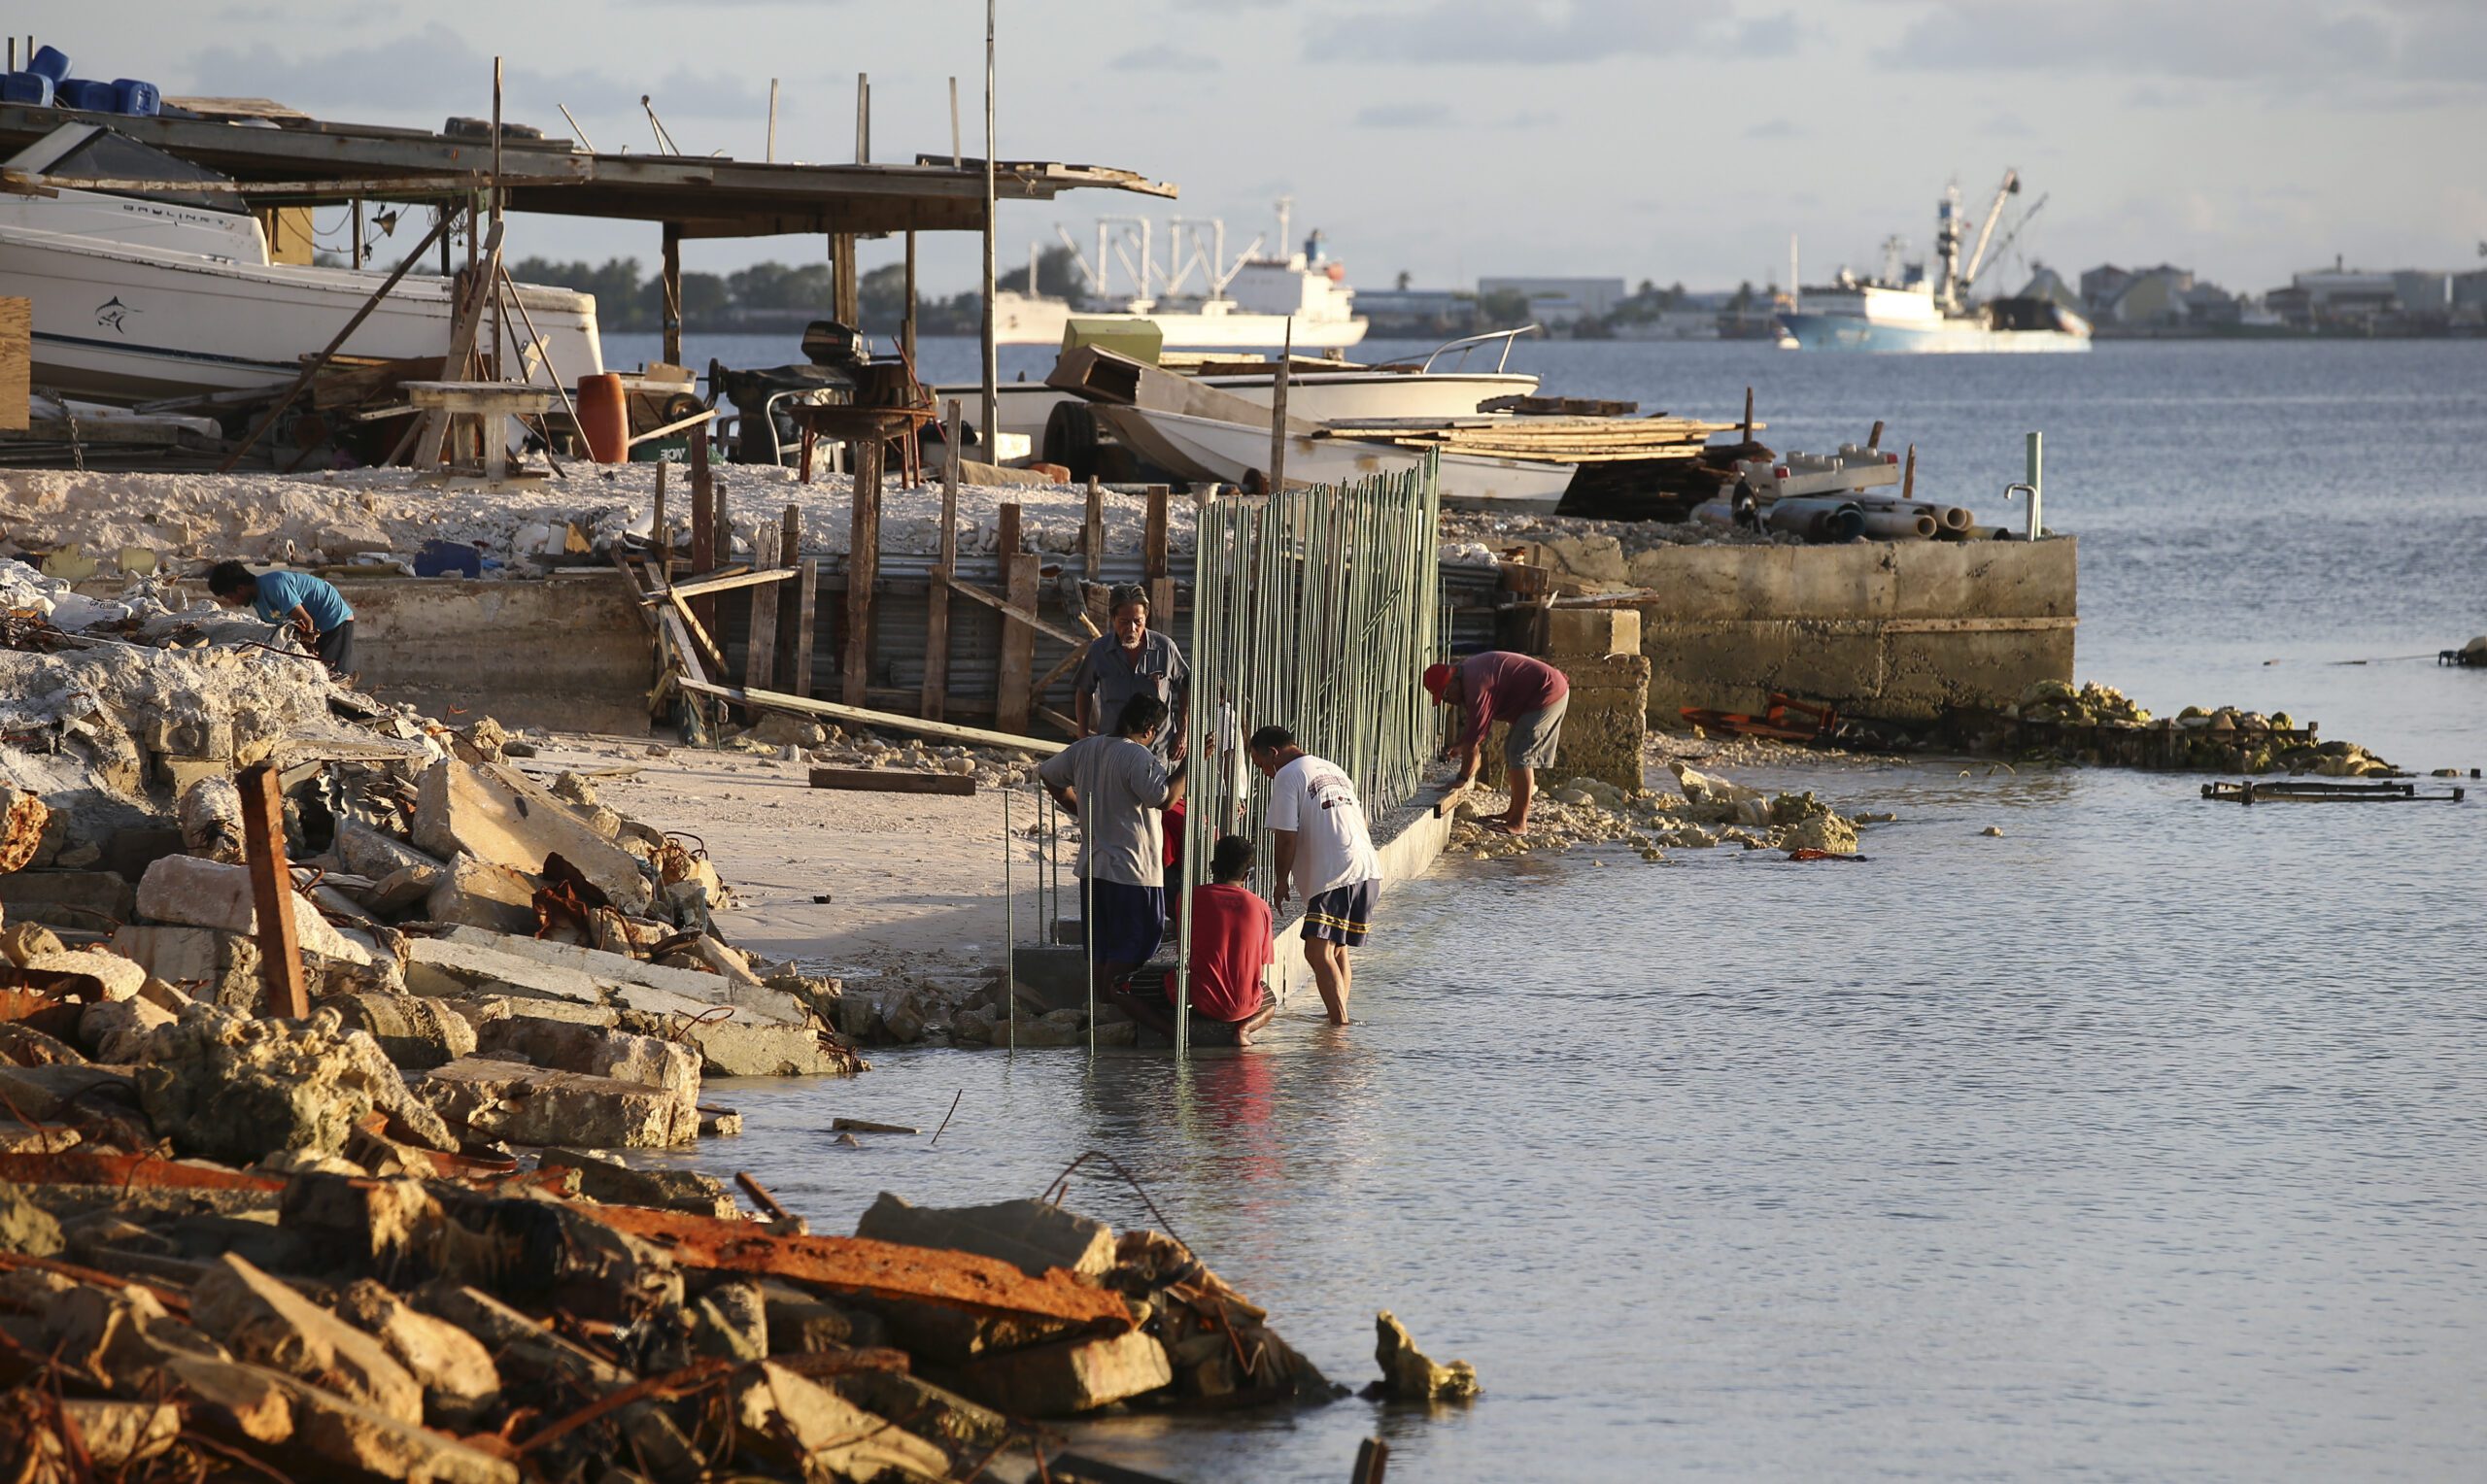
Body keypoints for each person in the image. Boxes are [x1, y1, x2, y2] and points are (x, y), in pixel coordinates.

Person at [1039, 693, 1188, 997]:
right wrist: (1191, 764)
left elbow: (1049, 773)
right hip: (1132, 871)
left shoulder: (1086, 747)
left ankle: (1101, 1011)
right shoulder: (1137, 756)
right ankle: (1115, 1003)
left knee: (1102, 946)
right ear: (1148, 730)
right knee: (1135, 942)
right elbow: (1165, 799)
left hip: (1093, 869)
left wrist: (1078, 806)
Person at [1249, 724, 1381, 1027]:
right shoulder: (1332, 768)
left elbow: (1285, 836)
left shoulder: (1287, 775)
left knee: (1316, 951)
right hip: (1367, 869)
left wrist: (1281, 880)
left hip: (1335, 872)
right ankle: (1336, 1018)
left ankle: (1339, 1027)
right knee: (1337, 950)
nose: (1266, 774)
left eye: (1262, 765)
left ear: (1273, 753)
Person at [1111, 833, 1278, 1046]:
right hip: (1245, 1004)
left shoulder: (1188, 898)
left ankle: (1175, 1035)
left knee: (1118, 988)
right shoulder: (1261, 907)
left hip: (1199, 997)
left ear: (1212, 866)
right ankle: (1244, 1030)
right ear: (1246, 875)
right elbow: (1262, 960)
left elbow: (1185, 949)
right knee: (1270, 1000)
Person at [1424, 651, 1570, 834]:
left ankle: (1519, 823)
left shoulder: (1476, 686)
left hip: (1548, 692)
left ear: (1452, 681)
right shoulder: (1470, 676)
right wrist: (1462, 745)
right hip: (1543, 690)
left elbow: (1474, 744)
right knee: (1513, 749)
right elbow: (1473, 735)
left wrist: (1461, 779)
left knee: (1520, 754)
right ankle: (1512, 813)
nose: (1449, 701)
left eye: (1446, 695)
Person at [1072, 584, 1188, 762]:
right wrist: (1083, 737)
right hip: (1114, 753)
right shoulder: (1099, 651)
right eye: (1124, 622)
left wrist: (1183, 731)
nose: (1132, 628)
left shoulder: (1165, 648)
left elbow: (1186, 687)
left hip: (1158, 753)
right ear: (1113, 619)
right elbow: (1084, 691)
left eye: (1138, 621)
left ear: (1146, 618)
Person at [206, 560, 357, 677]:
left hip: (334, 619)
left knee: (334, 676)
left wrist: (308, 646)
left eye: (230, 597)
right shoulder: (259, 603)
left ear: (240, 588)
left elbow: (306, 621)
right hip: (316, 627)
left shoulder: (274, 585)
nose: (233, 602)